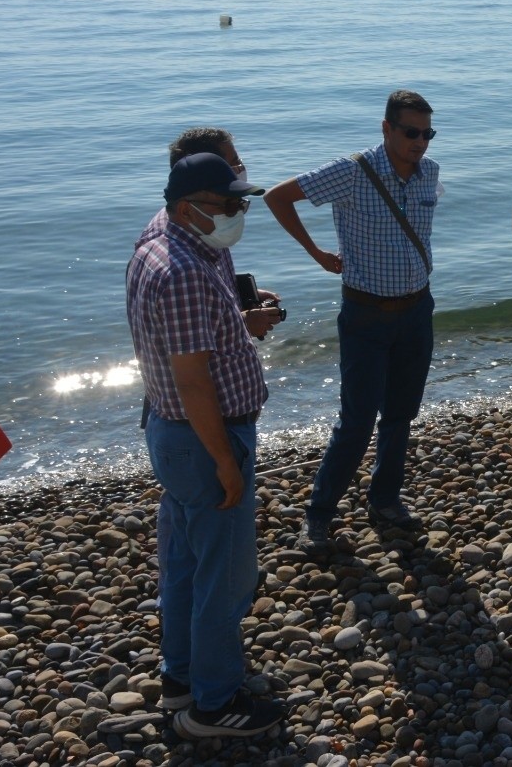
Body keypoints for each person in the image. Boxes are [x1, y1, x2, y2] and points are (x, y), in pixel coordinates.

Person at [127, 153, 282, 738]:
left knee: (185, 564)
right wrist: (225, 461)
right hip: (203, 437)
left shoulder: (162, 240)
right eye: (228, 204)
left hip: (172, 432)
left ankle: (181, 678)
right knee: (226, 578)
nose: (238, 213)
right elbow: (194, 381)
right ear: (188, 207)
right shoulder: (185, 272)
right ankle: (214, 705)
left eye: (241, 203)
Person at [263, 90, 440, 548]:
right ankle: (319, 513)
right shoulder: (352, 172)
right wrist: (316, 252)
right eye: (411, 132)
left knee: (401, 414)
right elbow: (278, 197)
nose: (420, 142)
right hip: (366, 314)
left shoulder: (430, 173)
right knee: (357, 420)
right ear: (386, 128)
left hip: (417, 310)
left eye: (428, 133)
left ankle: (385, 499)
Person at [137, 127, 283, 343]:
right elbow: (185, 343)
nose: (241, 168)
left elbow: (202, 291)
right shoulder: (173, 248)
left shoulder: (207, 219)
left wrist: (237, 294)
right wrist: (243, 323)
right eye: (233, 163)